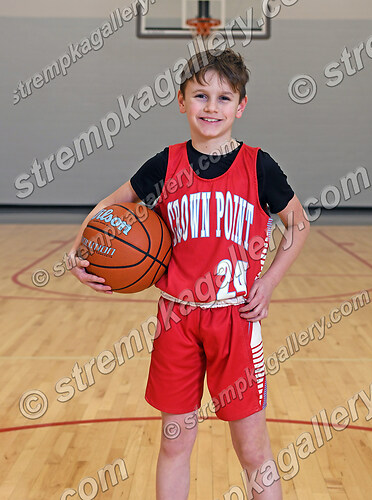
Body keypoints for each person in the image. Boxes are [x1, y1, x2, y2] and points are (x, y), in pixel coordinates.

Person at [68, 48, 310, 499]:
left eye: (223, 98)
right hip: (176, 318)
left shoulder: (259, 166)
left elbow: (298, 224)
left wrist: (269, 282)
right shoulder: (165, 165)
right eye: (200, 96)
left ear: (240, 106)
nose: (211, 107)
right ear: (181, 101)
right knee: (175, 442)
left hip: (235, 319)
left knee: (252, 448)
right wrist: (79, 253)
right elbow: (108, 206)